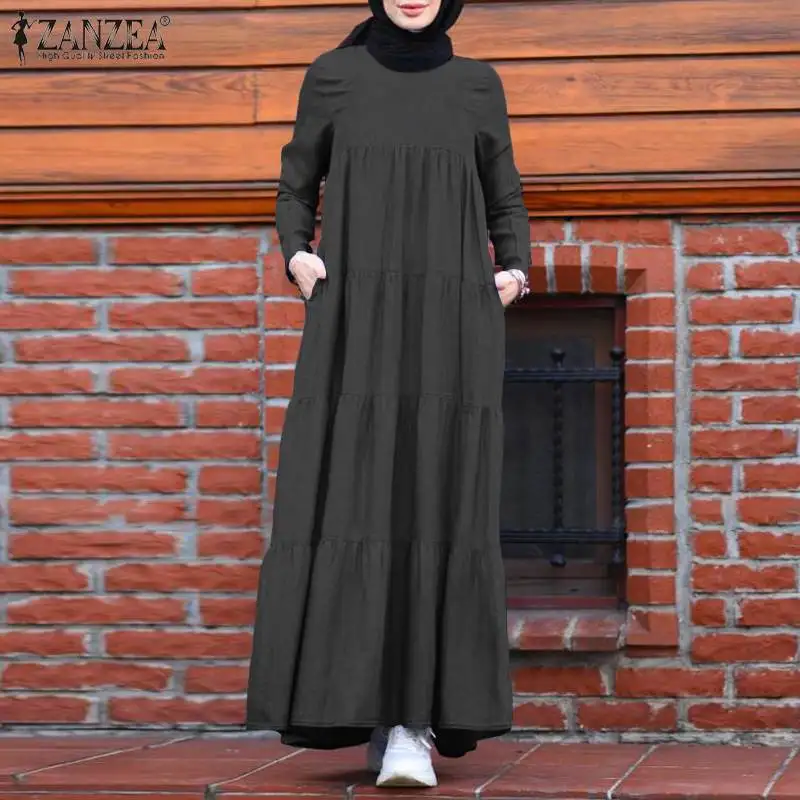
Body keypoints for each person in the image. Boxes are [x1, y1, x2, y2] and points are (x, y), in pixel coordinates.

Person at [247, 0, 531, 788]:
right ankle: (371, 711)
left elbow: (504, 192)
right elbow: (295, 183)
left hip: (451, 317)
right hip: (355, 315)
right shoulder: (333, 76)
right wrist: (297, 256)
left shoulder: (476, 85)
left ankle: (414, 724)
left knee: (437, 497)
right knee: (357, 497)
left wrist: (514, 269)